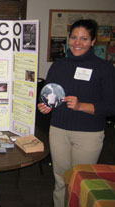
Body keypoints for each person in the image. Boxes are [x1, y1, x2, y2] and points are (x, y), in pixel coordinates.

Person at [37, 19, 115, 207]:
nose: (77, 43)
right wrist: (45, 106)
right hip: (58, 130)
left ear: (93, 41)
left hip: (88, 134)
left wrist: (81, 106)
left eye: (84, 38)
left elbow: (111, 107)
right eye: (73, 37)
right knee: (60, 178)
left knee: (82, 181)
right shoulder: (58, 65)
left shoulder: (104, 68)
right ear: (68, 38)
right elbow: (49, 96)